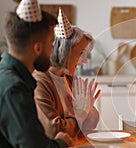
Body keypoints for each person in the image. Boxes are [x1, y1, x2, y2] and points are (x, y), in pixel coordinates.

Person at [0, 1, 72, 148]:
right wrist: (61, 141)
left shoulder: (9, 77)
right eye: (51, 43)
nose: (52, 51)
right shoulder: (14, 89)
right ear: (37, 47)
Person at [33, 9, 100, 138]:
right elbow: (53, 131)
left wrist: (87, 108)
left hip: (75, 145)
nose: (84, 61)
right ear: (65, 51)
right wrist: (81, 113)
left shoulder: (69, 78)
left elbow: (92, 122)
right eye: (81, 53)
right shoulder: (40, 82)